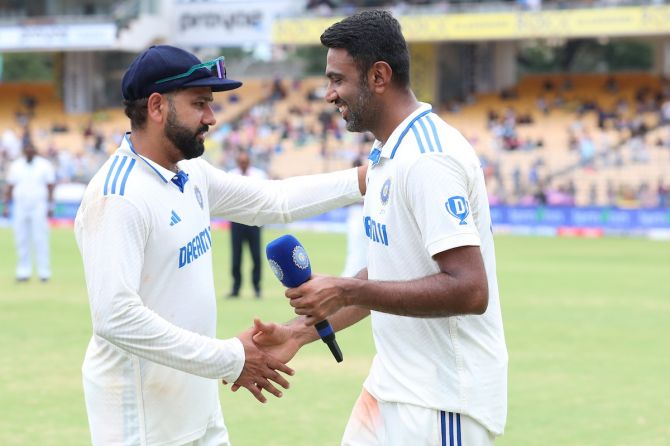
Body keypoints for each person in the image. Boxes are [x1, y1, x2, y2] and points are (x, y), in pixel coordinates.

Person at [74, 45, 367, 446]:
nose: (212, 117)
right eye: (200, 104)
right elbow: (115, 317)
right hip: (144, 426)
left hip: (200, 410)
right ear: (157, 106)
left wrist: (366, 179)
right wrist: (231, 358)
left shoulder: (189, 172)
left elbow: (272, 201)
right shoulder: (117, 196)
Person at [251, 10, 507, 446]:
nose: (328, 93)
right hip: (390, 388)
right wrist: (298, 332)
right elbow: (393, 272)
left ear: (379, 76)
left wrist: (347, 290)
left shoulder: (429, 157)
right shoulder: (386, 152)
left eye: (337, 79)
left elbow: (469, 290)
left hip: (441, 403)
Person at [3, 141, 56, 282]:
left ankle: (44, 272)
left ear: (35, 151)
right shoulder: (16, 166)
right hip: (20, 205)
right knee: (21, 238)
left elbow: (50, 186)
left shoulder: (44, 165)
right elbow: (10, 187)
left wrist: (51, 206)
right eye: (27, 149)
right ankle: (23, 272)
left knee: (41, 238)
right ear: (23, 151)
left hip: (39, 205)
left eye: (31, 149)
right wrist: (6, 206)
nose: (29, 151)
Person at [226, 150, 267, 298]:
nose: (243, 164)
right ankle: (236, 289)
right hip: (237, 221)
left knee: (256, 256)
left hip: (254, 221)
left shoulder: (259, 175)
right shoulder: (230, 175)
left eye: (245, 162)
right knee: (236, 256)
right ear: (238, 163)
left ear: (249, 162)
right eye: (241, 162)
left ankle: (257, 288)